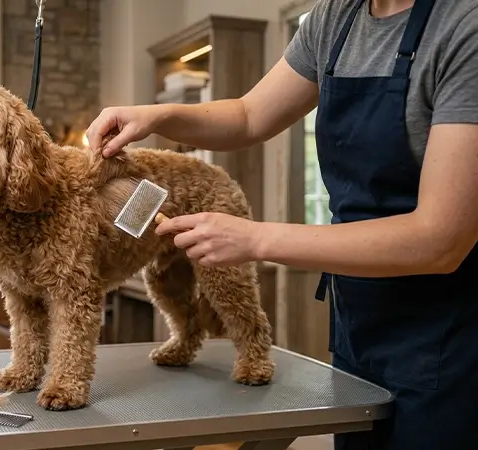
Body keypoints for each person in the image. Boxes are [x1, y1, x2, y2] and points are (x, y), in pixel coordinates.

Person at [85, 0, 478, 449]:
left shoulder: (464, 26)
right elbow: (249, 115)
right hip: (357, 316)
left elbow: (440, 240)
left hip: (445, 333)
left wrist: (256, 238)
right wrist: (157, 116)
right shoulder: (337, 17)